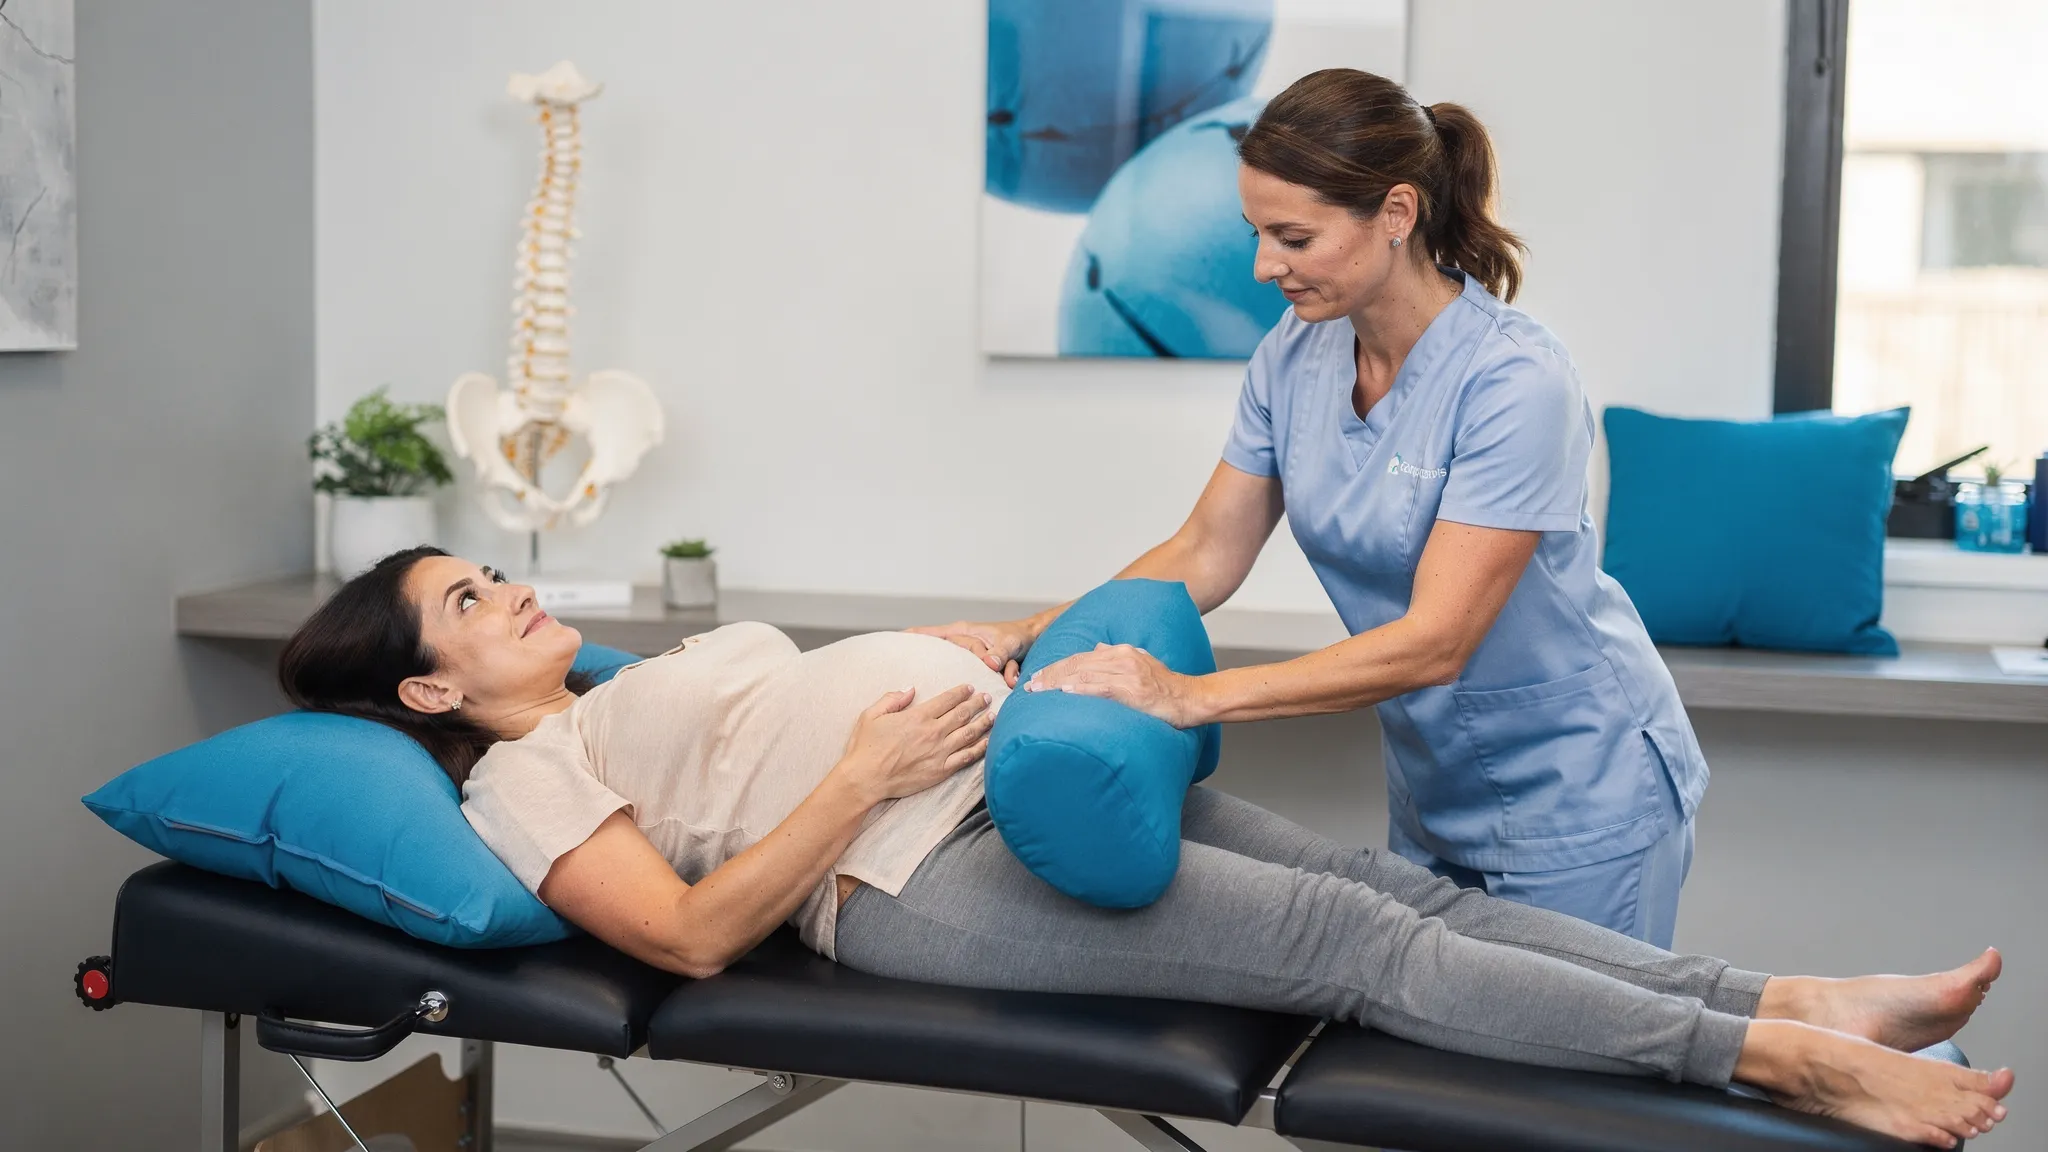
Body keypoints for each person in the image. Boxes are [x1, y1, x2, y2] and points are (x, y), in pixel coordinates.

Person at [278, 549, 2013, 1149]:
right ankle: (1778, 1060)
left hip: (1001, 778)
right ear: (432, 678)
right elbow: (685, 937)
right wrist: (861, 756)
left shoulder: (623, 679)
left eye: (484, 568)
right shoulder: (521, 781)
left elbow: (766, 725)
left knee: (1383, 890)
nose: (504, 585)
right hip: (910, 879)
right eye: (464, 597)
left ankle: (1784, 989)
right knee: (1365, 960)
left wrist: (970, 653)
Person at [915, 68, 1709, 946]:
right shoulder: (1296, 355)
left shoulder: (1516, 382)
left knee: (1569, 1073)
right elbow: (1206, 552)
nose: (1264, 266)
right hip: (1434, 790)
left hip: (1579, 790)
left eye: (1293, 236)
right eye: (1256, 233)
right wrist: (1021, 631)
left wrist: (1189, 697)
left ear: (1397, 215)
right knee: (1439, 1065)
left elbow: (1437, 640)